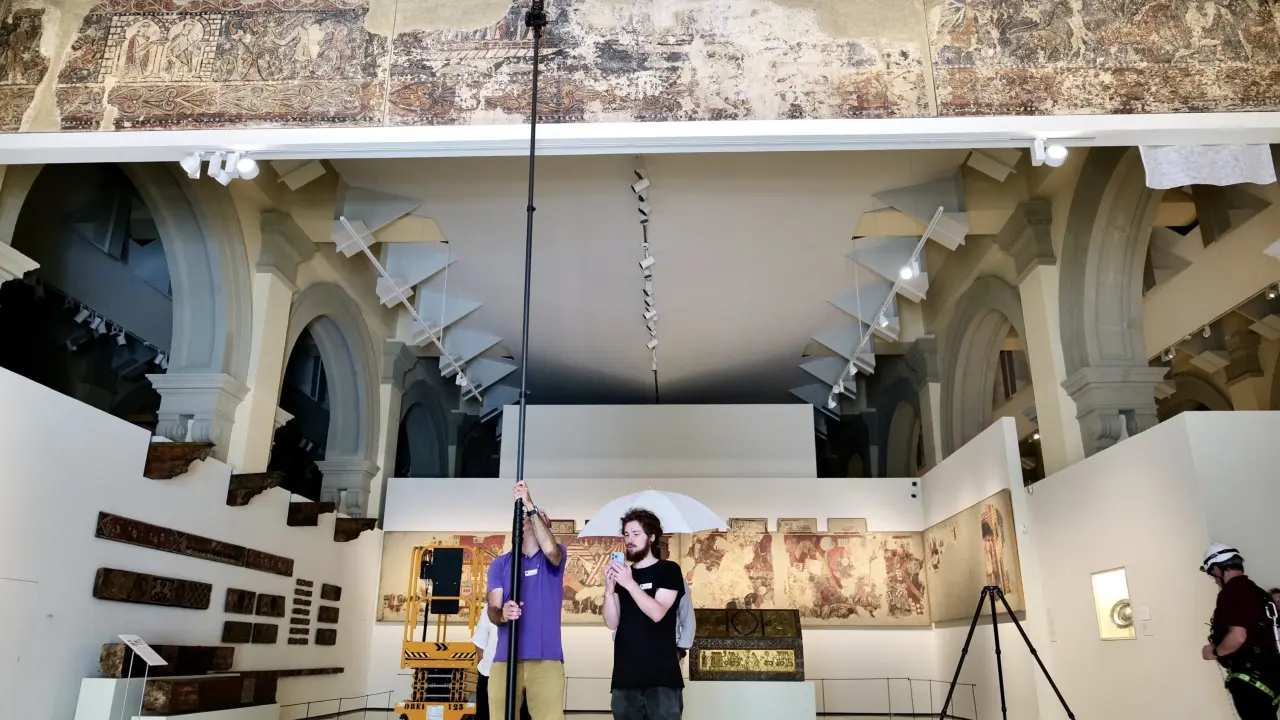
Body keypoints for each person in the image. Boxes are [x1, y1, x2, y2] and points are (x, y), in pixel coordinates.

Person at [486, 481, 566, 720]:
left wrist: (530, 505)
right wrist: (502, 614)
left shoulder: (555, 558)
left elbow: (551, 551)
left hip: (546, 659)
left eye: (535, 516)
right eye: (523, 515)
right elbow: (492, 608)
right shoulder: (500, 564)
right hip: (505, 659)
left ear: (546, 525)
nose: (528, 518)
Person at [604, 508, 685, 720]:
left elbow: (657, 612)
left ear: (651, 537)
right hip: (625, 677)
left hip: (661, 678)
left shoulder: (668, 570)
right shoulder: (624, 575)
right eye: (626, 534)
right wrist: (609, 590)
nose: (629, 540)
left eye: (636, 534)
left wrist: (630, 584)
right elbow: (611, 622)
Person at [1200, 543, 1280, 719]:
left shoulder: (1232, 591)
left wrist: (1213, 652)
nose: (1215, 580)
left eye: (1212, 574)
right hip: (1270, 677)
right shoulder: (1259, 593)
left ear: (1217, 569)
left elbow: (1238, 637)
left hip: (1249, 680)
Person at [470, 609, 533, 720]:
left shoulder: (530, 610)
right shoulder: (491, 608)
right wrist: (486, 665)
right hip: (490, 674)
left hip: (521, 676)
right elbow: (479, 644)